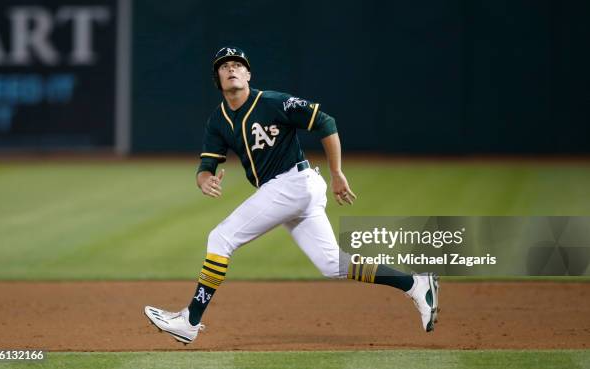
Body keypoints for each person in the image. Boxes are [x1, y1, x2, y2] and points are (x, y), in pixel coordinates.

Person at [144, 46, 439, 345]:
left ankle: (190, 320)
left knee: (221, 238)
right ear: (217, 78)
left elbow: (325, 122)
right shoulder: (218, 120)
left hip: (293, 183)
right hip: (291, 190)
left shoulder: (272, 102)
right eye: (224, 66)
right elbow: (206, 166)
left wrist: (337, 173)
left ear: (248, 74)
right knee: (332, 264)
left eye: (237, 64)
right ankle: (414, 283)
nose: (231, 69)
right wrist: (204, 180)